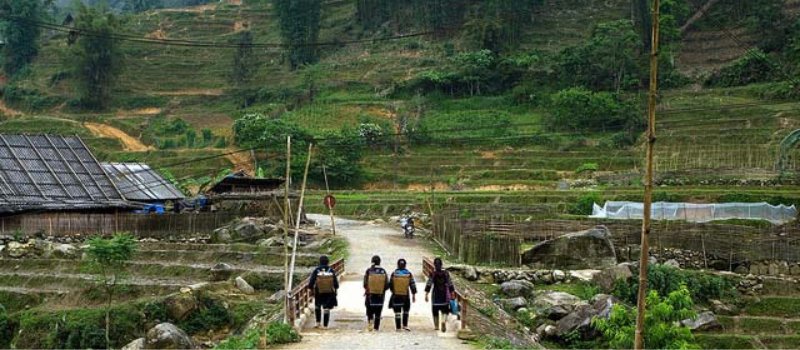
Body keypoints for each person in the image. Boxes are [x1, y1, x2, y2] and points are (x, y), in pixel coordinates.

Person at [424, 257, 455, 333]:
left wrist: (426, 293)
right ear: (441, 264)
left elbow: (429, 283)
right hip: (444, 293)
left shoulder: (433, 273)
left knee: (435, 310)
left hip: (436, 293)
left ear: (434, 265)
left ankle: (436, 326)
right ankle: (443, 320)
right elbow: (450, 283)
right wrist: (452, 292)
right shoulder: (446, 273)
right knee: (445, 309)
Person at [308, 255, 339, 329]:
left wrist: (311, 289)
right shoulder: (331, 270)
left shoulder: (317, 270)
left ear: (320, 261)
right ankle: (325, 325)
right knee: (326, 308)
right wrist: (335, 289)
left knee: (317, 306)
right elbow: (336, 284)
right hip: (329, 292)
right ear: (328, 262)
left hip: (318, 291)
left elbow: (311, 282)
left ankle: (318, 323)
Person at [387, 258, 417, 331]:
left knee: (397, 312)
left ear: (398, 265)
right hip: (405, 295)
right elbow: (412, 284)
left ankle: (398, 327)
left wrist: (394, 291)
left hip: (396, 295)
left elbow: (390, 284)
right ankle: (405, 325)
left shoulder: (394, 273)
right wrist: (413, 294)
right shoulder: (408, 274)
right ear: (405, 265)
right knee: (406, 310)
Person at [363, 255, 388, 331]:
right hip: (380, 296)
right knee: (378, 312)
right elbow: (387, 284)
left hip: (370, 295)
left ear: (372, 262)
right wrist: (382, 291)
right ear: (380, 262)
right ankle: (376, 328)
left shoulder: (369, 271)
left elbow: (365, 283)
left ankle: (370, 323)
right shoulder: (383, 271)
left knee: (369, 310)